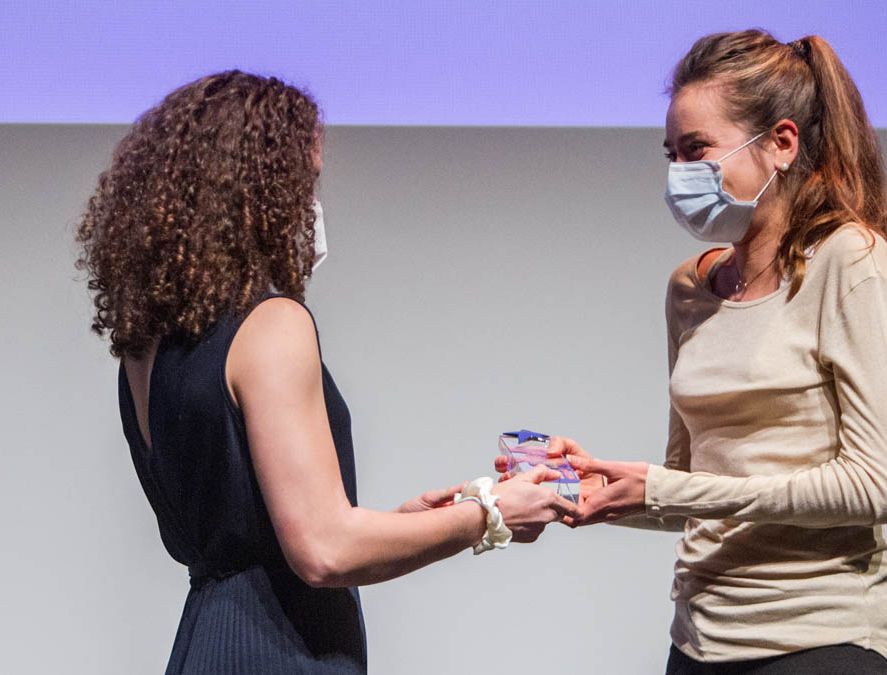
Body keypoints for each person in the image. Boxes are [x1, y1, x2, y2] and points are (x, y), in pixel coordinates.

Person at [76, 70, 578, 674]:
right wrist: (488, 514)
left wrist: (398, 525)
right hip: (279, 651)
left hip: (205, 643)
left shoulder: (148, 347)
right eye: (304, 182)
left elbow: (260, 533)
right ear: (258, 188)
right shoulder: (272, 324)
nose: (311, 206)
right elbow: (323, 552)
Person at [500, 30, 887, 674]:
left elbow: (871, 488)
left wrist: (663, 487)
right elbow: (691, 485)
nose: (679, 173)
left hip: (822, 643)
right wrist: (592, 488)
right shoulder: (689, 287)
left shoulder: (852, 261)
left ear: (782, 143)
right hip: (698, 643)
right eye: (672, 154)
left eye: (697, 150)